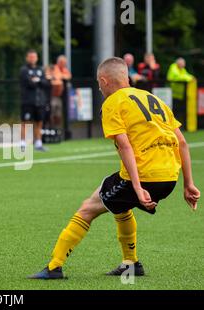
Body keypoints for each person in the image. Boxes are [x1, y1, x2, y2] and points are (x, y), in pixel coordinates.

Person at [29, 57, 200, 280]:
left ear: (104, 81)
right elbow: (182, 143)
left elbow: (124, 145)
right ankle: (131, 264)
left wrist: (137, 188)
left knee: (88, 208)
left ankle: (54, 267)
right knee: (120, 205)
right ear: (126, 77)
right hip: (169, 177)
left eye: (99, 84)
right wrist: (188, 184)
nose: (99, 88)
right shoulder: (151, 98)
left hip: (143, 177)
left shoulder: (112, 103)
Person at [19, 49, 51, 152]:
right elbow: (30, 83)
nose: (32, 59)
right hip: (28, 101)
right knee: (25, 122)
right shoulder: (24, 70)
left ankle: (38, 143)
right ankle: (22, 143)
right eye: (30, 57)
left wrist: (37, 80)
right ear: (27, 58)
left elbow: (45, 83)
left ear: (37, 58)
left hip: (40, 101)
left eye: (34, 57)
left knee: (39, 122)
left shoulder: (40, 69)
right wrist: (38, 80)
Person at [45, 55, 72, 129]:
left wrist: (60, 76)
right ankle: (50, 128)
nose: (64, 64)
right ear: (59, 62)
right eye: (63, 62)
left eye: (65, 63)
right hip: (51, 96)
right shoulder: (53, 68)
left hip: (59, 96)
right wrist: (57, 77)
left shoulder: (64, 69)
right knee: (51, 112)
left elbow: (68, 76)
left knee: (58, 114)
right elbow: (48, 76)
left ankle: (57, 129)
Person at [167, 57, 195, 126]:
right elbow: (177, 76)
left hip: (179, 95)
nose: (183, 66)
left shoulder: (182, 69)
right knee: (172, 111)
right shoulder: (173, 67)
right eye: (182, 64)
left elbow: (187, 75)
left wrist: (191, 77)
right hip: (172, 94)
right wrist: (190, 78)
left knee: (178, 111)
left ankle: (178, 126)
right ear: (178, 63)